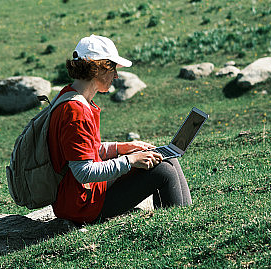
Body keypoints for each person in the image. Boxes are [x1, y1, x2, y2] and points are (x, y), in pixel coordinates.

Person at [48, 34, 192, 224]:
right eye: (113, 68)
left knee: (165, 157)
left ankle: (186, 219)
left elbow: (83, 150)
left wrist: (122, 148)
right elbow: (83, 172)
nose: (116, 75)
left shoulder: (71, 96)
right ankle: (181, 225)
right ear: (98, 69)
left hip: (80, 194)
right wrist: (131, 160)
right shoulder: (75, 111)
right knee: (163, 172)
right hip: (81, 204)